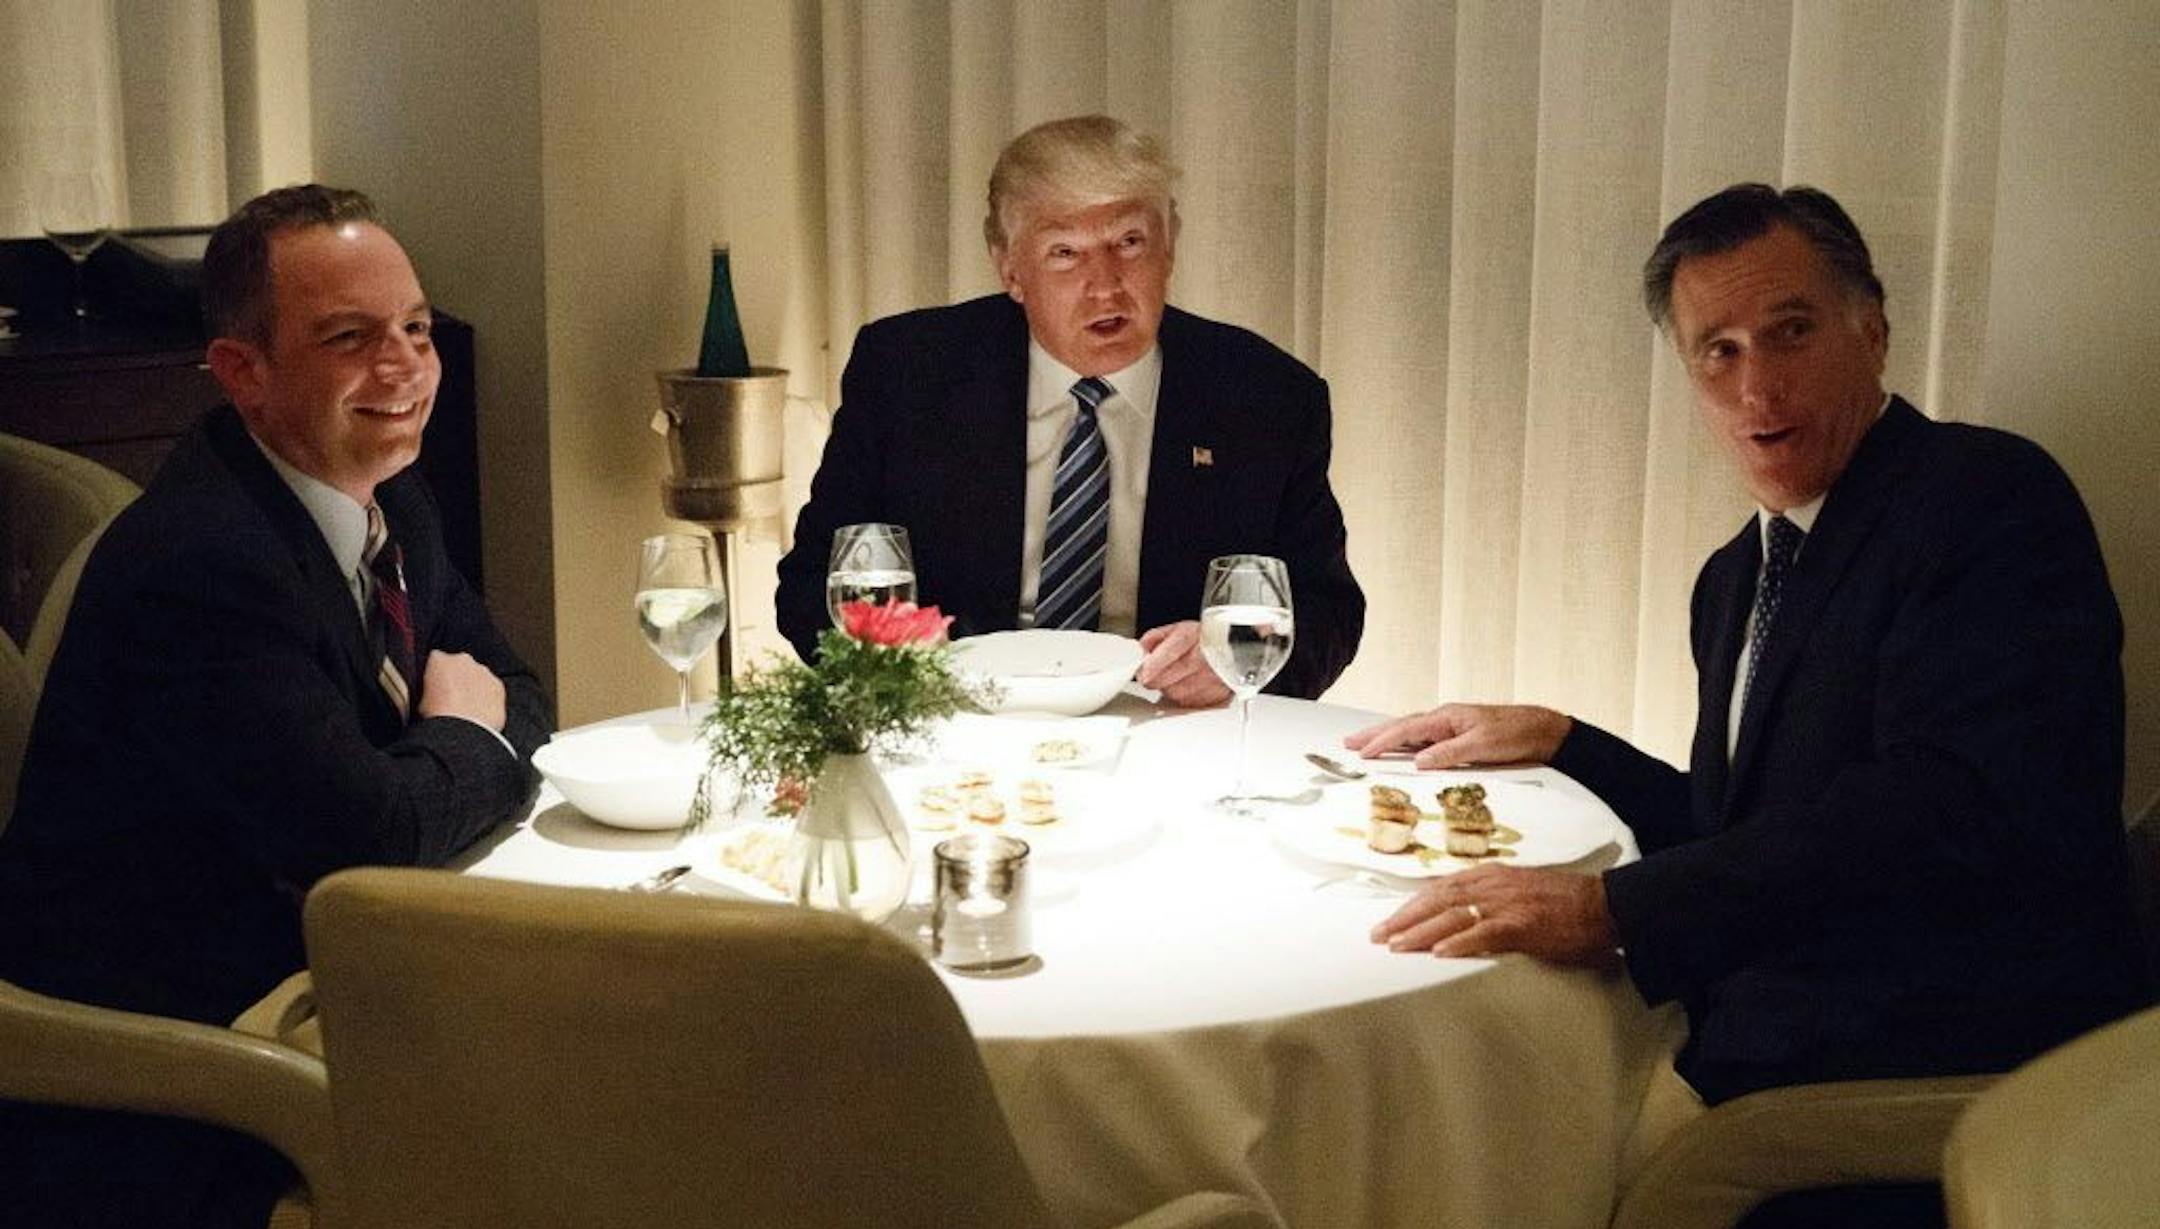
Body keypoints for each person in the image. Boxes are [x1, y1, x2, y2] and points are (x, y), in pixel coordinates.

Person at [1350, 184, 2145, 1120]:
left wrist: (1612, 910)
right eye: (1719, 351)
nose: (1757, 388)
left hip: (1928, 1087)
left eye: (1790, 333)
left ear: (1873, 331)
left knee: (1473, 1101)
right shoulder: (1735, 578)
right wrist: (1564, 740)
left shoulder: (1986, 497)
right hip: (1782, 1032)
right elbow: (1742, 832)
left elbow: (1939, 809)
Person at [0, 184, 551, 1229]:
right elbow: (378, 828)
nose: (406, 366)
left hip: (311, 968)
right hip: (164, 1090)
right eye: (350, 338)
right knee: (583, 1093)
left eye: (414, 327)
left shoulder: (390, 497)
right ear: (241, 370)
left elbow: (525, 698)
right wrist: (459, 737)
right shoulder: (205, 565)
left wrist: (448, 755)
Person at [775, 114, 1364, 704]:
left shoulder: (1267, 397)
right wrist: (897, 665)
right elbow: (812, 586)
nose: (1105, 285)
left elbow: (1327, 612)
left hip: (1170, 723)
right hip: (960, 715)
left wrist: (1229, 659)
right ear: (1010, 269)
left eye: (1129, 242)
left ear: (1169, 247)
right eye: (1064, 253)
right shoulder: (907, 373)